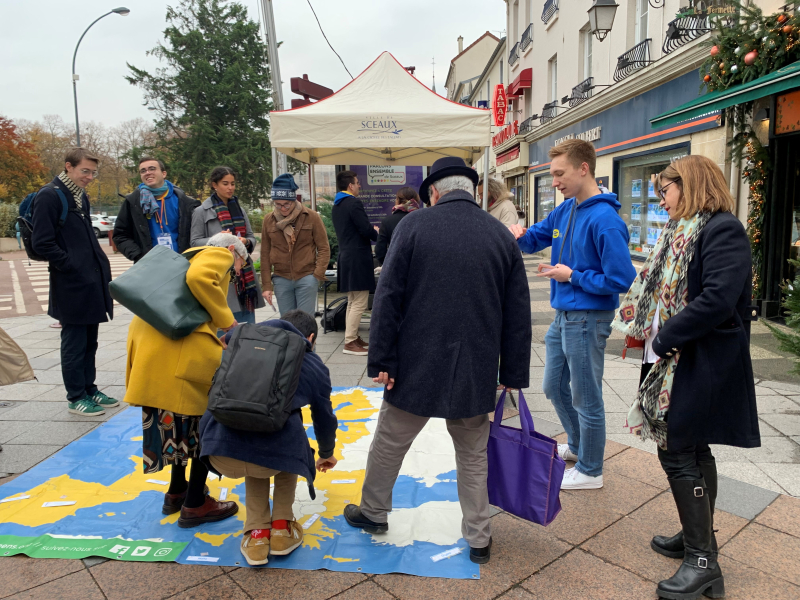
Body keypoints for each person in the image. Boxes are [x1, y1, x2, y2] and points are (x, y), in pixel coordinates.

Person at [343, 157, 531, 565]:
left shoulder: (413, 226)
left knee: (390, 443)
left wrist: (382, 361)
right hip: (476, 366)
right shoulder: (499, 236)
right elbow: (518, 313)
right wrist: (512, 374)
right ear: (472, 190)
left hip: (416, 363)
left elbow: (389, 298)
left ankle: (374, 513)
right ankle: (479, 537)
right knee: (472, 452)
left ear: (433, 192)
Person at [613, 155, 759, 600]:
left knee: (677, 450)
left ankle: (701, 562)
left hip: (700, 359)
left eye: (666, 189)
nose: (661, 197)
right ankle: (701, 537)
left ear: (691, 184)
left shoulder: (721, 229)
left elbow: (717, 299)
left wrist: (663, 338)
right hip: (678, 358)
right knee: (691, 447)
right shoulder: (681, 230)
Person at [509, 139, 636, 490]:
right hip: (564, 317)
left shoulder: (606, 220)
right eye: (551, 174)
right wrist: (514, 234)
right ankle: (580, 448)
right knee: (552, 386)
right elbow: (534, 238)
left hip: (588, 319)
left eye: (559, 173)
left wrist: (573, 276)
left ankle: (591, 470)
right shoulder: (565, 210)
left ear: (584, 169)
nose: (553, 181)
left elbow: (622, 278)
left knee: (586, 396)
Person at [124, 232, 245, 528]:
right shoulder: (219, 255)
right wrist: (227, 321)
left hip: (155, 352)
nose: (237, 272)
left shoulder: (187, 255)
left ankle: (177, 491)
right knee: (205, 427)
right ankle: (195, 504)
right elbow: (201, 280)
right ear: (232, 250)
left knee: (178, 427)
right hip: (180, 354)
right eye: (241, 265)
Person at [200, 309, 339, 565]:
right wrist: (326, 453)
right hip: (273, 459)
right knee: (289, 444)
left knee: (257, 447)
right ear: (310, 338)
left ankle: (257, 536)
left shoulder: (239, 342)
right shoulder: (312, 364)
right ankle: (282, 531)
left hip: (217, 450)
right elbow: (324, 417)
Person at [31, 148, 117, 417]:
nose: (90, 177)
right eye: (85, 171)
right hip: (71, 282)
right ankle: (75, 396)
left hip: (90, 280)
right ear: (69, 167)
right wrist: (71, 266)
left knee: (90, 341)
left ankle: (89, 389)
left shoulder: (78, 195)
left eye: (93, 172)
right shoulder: (49, 196)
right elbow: (42, 242)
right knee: (74, 341)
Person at [191, 166, 264, 324]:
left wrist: (245, 241)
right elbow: (194, 242)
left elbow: (251, 237)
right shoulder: (201, 211)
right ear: (214, 185)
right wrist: (217, 239)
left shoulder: (240, 209)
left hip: (243, 274)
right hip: (219, 273)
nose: (230, 188)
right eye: (225, 183)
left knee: (247, 329)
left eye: (232, 184)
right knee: (225, 327)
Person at [260, 173, 330, 316]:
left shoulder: (311, 217)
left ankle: (309, 340)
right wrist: (267, 285)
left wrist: (317, 274)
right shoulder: (268, 220)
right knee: (287, 324)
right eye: (278, 205)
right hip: (281, 278)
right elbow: (265, 254)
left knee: (305, 323)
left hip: (307, 277)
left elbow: (323, 247)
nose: (283, 208)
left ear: (294, 199)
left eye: (287, 204)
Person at [113, 156, 199, 261]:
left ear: (164, 173)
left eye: (152, 168)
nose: (147, 172)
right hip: (149, 265)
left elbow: (197, 234)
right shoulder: (133, 202)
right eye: (143, 171)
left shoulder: (185, 202)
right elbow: (120, 235)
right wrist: (139, 256)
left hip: (182, 262)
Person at [331, 170, 378, 355]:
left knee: (352, 300)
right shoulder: (353, 203)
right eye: (357, 183)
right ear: (350, 185)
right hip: (358, 257)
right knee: (359, 301)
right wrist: (376, 231)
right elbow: (365, 229)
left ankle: (353, 336)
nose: (359, 185)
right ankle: (350, 342)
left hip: (346, 256)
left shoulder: (337, 204)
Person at [374, 186, 420, 265]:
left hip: (397, 267)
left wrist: (389, 265)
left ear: (398, 200)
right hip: (419, 268)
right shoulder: (422, 219)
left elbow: (379, 251)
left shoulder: (388, 221)